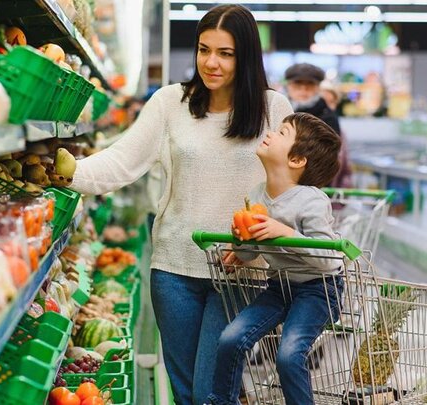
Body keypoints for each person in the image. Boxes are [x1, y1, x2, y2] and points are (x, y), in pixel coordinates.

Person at [69, 4, 293, 404]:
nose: (211, 62)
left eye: (226, 53)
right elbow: (123, 161)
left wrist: (254, 244)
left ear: (246, 57)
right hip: (174, 270)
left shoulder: (273, 108)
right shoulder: (171, 102)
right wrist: (65, 172)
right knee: (186, 391)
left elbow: (287, 189)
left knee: (211, 389)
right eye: (204, 50)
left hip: (238, 272)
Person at [208, 112, 343, 405]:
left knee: (289, 353)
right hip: (279, 287)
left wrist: (284, 232)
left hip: (319, 289)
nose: (270, 133)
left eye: (282, 133)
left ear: (297, 160)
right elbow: (250, 251)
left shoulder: (312, 200)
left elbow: (329, 259)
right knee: (231, 338)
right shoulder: (257, 195)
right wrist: (240, 239)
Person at [285, 63, 351, 188]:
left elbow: (327, 158)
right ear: (288, 86)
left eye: (309, 85)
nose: (303, 90)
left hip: (314, 186)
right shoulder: (278, 109)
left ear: (317, 88)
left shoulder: (327, 117)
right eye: (297, 84)